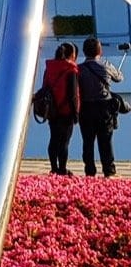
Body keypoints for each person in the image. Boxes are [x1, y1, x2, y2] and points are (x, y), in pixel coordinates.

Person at [77, 36, 124, 178]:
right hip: (104, 108)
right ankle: (109, 171)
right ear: (100, 51)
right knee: (106, 140)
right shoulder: (106, 65)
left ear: (84, 51)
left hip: (85, 108)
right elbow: (119, 78)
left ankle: (90, 171)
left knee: (88, 141)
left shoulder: (79, 69)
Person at [42, 42, 80, 175]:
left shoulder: (49, 68)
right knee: (64, 141)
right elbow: (73, 94)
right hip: (66, 111)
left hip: (52, 111)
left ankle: (54, 167)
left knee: (53, 139)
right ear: (72, 55)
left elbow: (45, 88)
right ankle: (62, 169)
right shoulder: (71, 70)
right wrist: (76, 113)